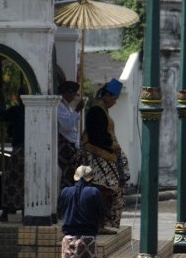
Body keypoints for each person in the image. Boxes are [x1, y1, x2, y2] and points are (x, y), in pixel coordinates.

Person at [81, 78, 130, 234]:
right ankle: (98, 225)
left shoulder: (101, 110)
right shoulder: (96, 111)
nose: (115, 102)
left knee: (108, 190)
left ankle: (101, 224)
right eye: (114, 99)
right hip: (97, 156)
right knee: (104, 189)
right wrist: (111, 145)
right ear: (106, 95)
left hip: (104, 155)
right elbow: (97, 136)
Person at [59, 165, 104, 258]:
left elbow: (61, 211)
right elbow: (100, 214)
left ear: (75, 177)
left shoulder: (65, 191)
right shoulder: (94, 192)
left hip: (68, 239)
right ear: (91, 179)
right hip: (88, 238)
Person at [0, 91, 25, 222]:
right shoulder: (21, 110)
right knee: (24, 181)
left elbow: (2, 116)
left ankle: (6, 211)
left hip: (19, 148)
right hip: (28, 147)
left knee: (12, 181)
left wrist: (2, 104)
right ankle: (22, 211)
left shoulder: (17, 110)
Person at [58, 81, 85, 190]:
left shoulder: (66, 106)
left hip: (71, 144)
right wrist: (77, 110)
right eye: (74, 94)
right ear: (68, 92)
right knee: (71, 174)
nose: (74, 97)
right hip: (65, 145)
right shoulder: (59, 106)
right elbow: (67, 125)